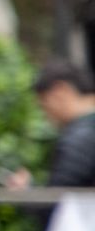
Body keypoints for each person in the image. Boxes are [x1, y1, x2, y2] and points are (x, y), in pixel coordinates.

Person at [19, 61, 95, 190]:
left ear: (60, 90)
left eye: (44, 105)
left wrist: (26, 192)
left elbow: (59, 197)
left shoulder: (80, 138)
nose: (45, 116)